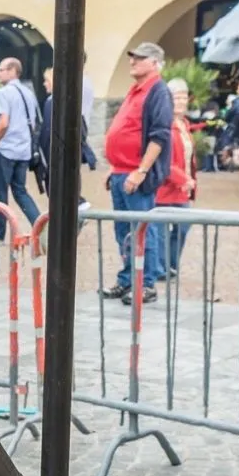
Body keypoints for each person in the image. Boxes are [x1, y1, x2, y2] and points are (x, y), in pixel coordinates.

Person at [100, 41, 173, 305]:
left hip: (135, 174)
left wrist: (141, 171)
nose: (133, 61)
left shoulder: (157, 91)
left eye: (140, 58)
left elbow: (160, 135)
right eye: (133, 57)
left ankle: (146, 283)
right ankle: (128, 279)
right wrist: (115, 167)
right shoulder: (136, 90)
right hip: (122, 172)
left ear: (154, 63)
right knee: (124, 231)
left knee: (142, 229)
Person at [0, 57, 42, 239]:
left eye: (1, 69)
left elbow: (3, 123)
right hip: (24, 151)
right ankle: (39, 225)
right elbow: (33, 122)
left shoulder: (4, 93)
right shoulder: (29, 92)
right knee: (20, 190)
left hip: (6, 150)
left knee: (0, 193)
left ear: (12, 71)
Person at [156, 78, 198, 277]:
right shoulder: (165, 125)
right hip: (166, 188)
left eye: (184, 97)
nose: (181, 102)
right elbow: (166, 161)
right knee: (164, 231)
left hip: (182, 190)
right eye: (176, 98)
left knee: (182, 228)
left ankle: (170, 264)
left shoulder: (184, 125)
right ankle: (164, 267)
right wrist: (184, 180)